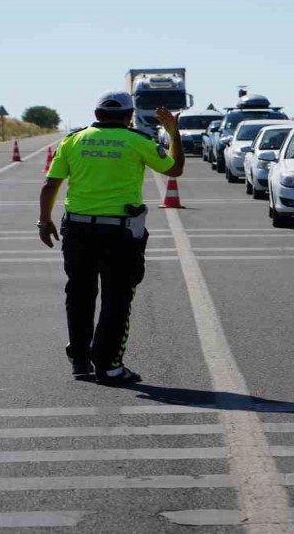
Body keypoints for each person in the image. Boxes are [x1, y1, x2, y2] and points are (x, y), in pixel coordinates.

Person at [37, 90, 184, 384]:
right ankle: (109, 366)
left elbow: (50, 184)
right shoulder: (138, 141)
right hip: (119, 233)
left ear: (96, 114)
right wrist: (173, 133)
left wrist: (44, 221)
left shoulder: (73, 140)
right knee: (117, 298)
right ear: (129, 116)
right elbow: (175, 169)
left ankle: (80, 359)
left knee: (79, 294)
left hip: (77, 229)